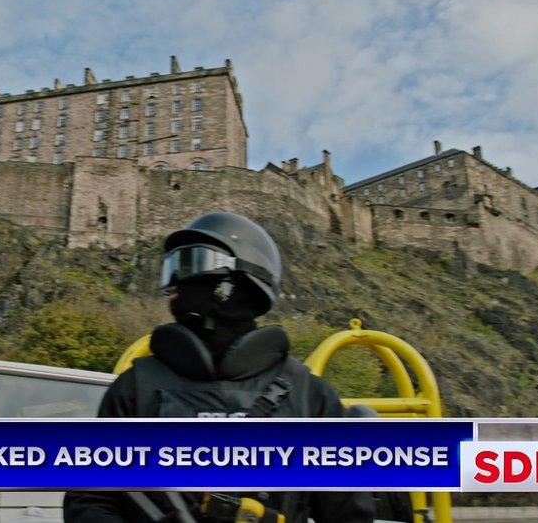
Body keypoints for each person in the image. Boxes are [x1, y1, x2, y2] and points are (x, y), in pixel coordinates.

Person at [64, 212, 375, 523]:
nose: (174, 282)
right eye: (172, 267)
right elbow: (91, 500)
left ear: (231, 284)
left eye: (189, 263)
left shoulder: (309, 395)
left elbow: (348, 513)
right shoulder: (136, 386)